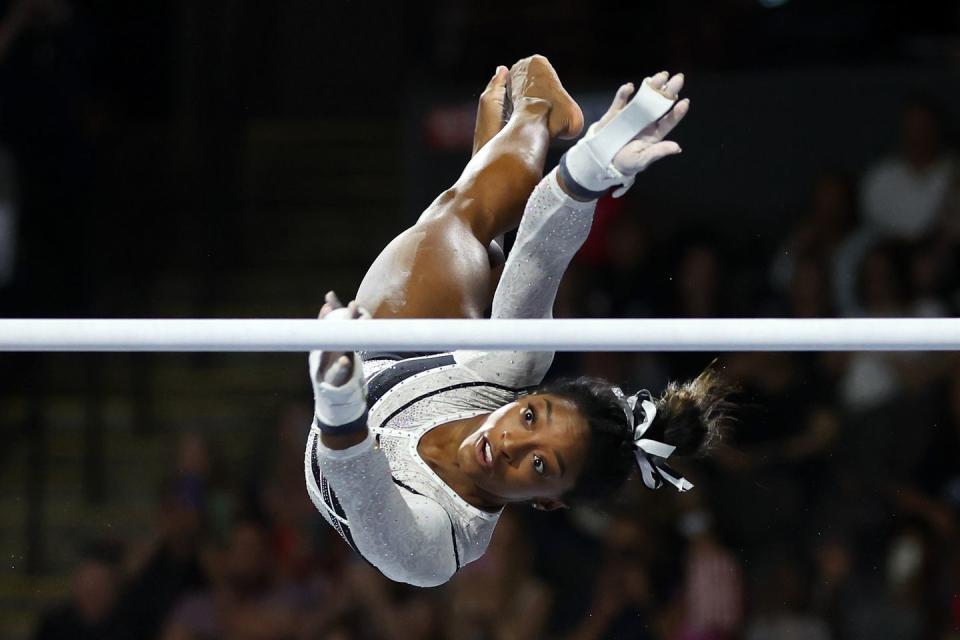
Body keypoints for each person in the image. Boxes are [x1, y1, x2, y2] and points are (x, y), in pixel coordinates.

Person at [305, 55, 735, 587]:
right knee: (454, 221)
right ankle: (538, 111)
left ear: (549, 502)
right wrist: (591, 167)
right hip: (412, 353)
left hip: (360, 388)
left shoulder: (436, 546)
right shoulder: (513, 370)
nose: (510, 444)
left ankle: (490, 163)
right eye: (531, 417)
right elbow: (539, 255)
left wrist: (338, 393)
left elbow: (357, 479)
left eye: (539, 467)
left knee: (478, 251)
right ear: (526, 397)